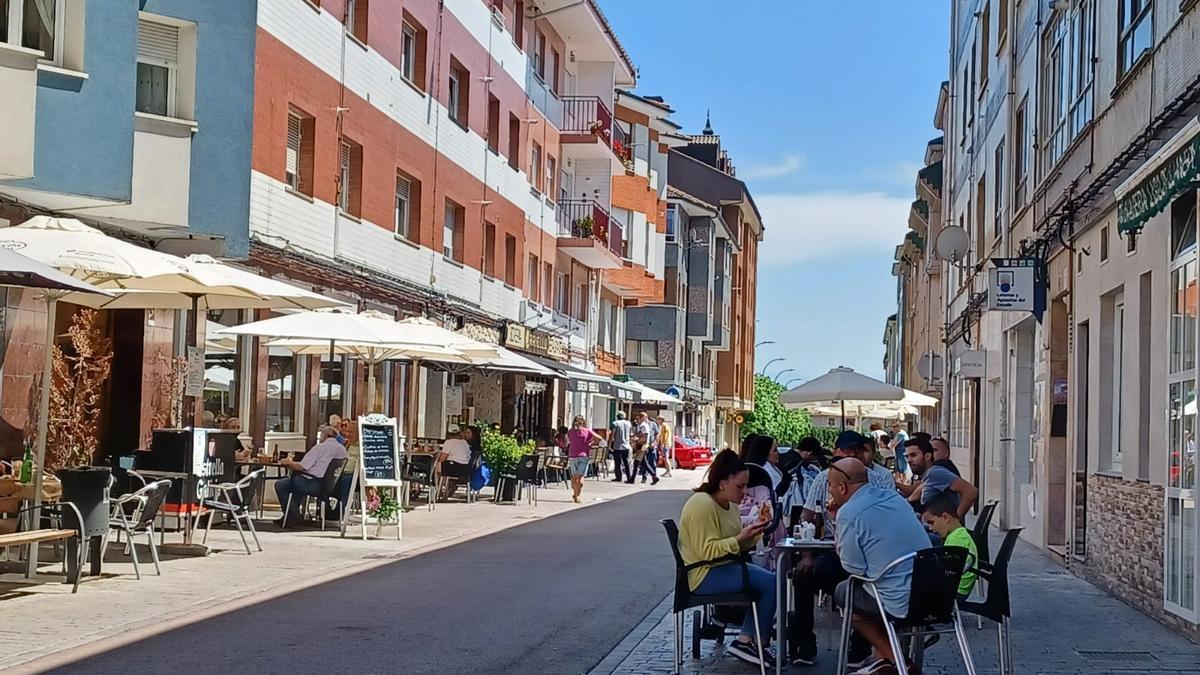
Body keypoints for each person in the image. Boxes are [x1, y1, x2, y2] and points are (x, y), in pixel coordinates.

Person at [788, 431, 891, 666]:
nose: (853, 455)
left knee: (863, 582)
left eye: (858, 450)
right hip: (832, 551)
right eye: (847, 451)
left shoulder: (879, 481)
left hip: (868, 554)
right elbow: (807, 516)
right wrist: (806, 554)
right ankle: (804, 644)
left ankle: (859, 648)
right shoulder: (823, 478)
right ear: (837, 453)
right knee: (803, 575)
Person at [828, 458, 932, 674]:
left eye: (830, 485)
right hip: (934, 595)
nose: (829, 490)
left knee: (845, 591)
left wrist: (838, 529)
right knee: (874, 589)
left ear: (842, 487)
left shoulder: (849, 512)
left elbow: (854, 569)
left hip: (899, 601)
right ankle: (883, 659)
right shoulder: (895, 498)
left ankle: (896, 659)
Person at [678, 449, 777, 667]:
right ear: (723, 483)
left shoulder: (730, 505)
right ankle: (752, 642)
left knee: (771, 580)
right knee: (771, 583)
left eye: (746, 485)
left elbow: (736, 543)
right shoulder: (702, 504)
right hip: (704, 573)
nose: (745, 492)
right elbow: (707, 551)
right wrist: (741, 537)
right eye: (740, 486)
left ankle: (750, 640)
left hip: (723, 567)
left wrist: (756, 530)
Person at [275, 426, 348, 526]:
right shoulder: (342, 450)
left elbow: (302, 466)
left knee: (281, 485)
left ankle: (293, 515)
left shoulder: (320, 448)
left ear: (324, 435)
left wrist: (289, 463)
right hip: (331, 486)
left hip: (313, 483)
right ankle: (290, 515)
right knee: (295, 483)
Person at [903, 436, 978, 519]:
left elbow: (971, 492)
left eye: (913, 455)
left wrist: (955, 520)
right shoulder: (928, 475)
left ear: (927, 456)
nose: (909, 460)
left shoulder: (935, 472)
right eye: (907, 457)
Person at [922, 492, 978, 599]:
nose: (930, 528)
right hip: (957, 588)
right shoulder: (958, 534)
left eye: (931, 522)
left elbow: (949, 573)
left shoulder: (957, 539)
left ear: (945, 517)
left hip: (955, 592)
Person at [565, 415, 599, 503]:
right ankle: (577, 495)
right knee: (579, 477)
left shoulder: (570, 432)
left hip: (573, 455)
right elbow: (599, 438)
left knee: (575, 477)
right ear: (583, 422)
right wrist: (591, 444)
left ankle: (576, 494)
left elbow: (568, 441)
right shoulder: (587, 431)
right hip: (584, 455)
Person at [630, 412, 659, 485]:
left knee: (636, 463)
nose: (637, 420)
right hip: (642, 446)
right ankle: (654, 476)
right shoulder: (641, 426)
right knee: (644, 464)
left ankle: (632, 479)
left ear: (642, 418)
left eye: (638, 419)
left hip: (642, 446)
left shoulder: (644, 426)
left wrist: (637, 440)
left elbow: (645, 437)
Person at [609, 411, 634, 482]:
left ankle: (618, 477)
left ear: (618, 416)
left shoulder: (615, 423)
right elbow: (631, 434)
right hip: (626, 446)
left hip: (618, 446)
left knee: (618, 463)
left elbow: (612, 435)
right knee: (626, 462)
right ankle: (629, 477)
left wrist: (609, 445)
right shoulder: (629, 423)